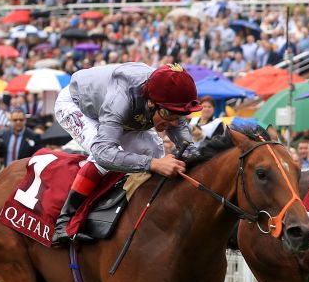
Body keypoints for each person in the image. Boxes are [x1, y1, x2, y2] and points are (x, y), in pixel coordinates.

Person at [52, 63, 202, 245]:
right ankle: (64, 223)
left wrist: (194, 154)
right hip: (78, 106)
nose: (173, 123)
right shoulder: (121, 97)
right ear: (151, 103)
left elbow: (183, 138)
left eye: (178, 116)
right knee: (103, 156)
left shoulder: (165, 102)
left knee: (154, 149)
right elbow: (103, 152)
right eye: (168, 115)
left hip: (127, 113)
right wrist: (154, 164)